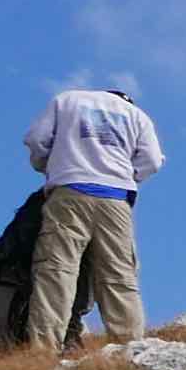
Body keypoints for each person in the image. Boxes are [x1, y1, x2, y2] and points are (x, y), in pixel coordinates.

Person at [20, 76, 165, 355]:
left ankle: (44, 351)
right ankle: (130, 350)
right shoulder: (137, 115)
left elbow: (37, 139)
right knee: (119, 275)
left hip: (69, 193)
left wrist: (49, 167)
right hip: (116, 199)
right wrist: (128, 176)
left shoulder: (67, 100)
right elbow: (152, 160)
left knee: (57, 271)